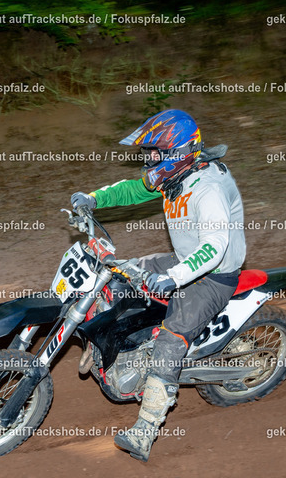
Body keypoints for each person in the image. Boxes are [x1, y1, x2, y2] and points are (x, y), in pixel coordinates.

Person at [70, 109, 246, 461]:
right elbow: (135, 190)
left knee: (170, 339)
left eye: (154, 153)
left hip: (212, 275)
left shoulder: (207, 188)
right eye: (148, 153)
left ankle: (145, 431)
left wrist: (173, 277)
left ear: (177, 152)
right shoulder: (177, 173)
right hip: (183, 260)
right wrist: (94, 199)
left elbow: (215, 246)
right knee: (118, 276)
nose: (148, 160)